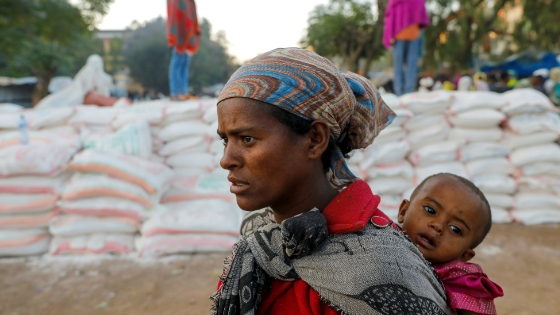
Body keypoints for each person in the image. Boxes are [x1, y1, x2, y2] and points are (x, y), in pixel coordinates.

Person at [210, 47, 451, 315]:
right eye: (225, 140)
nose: (226, 159)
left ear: (315, 139)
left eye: (247, 139)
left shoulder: (381, 267)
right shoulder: (261, 234)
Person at [398, 173, 504, 315]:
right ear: (403, 211)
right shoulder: (377, 239)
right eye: (430, 210)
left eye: (456, 229)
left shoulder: (460, 281)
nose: (438, 226)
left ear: (464, 255)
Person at [383, 0, 430, 96]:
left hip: (413, 35)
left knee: (410, 65)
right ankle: (400, 92)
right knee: (400, 65)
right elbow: (390, 14)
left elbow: (421, 14)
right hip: (399, 35)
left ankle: (407, 92)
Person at [167, 0, 201, 101]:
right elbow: (175, 15)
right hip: (178, 33)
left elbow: (190, 15)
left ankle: (183, 92)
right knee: (177, 62)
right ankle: (175, 93)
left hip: (188, 33)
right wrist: (177, 32)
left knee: (185, 63)